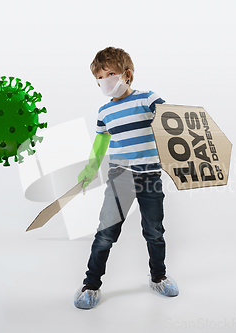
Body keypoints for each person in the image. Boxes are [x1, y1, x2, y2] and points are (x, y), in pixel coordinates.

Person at [74, 47, 179, 310]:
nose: (104, 81)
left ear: (127, 74)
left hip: (150, 175)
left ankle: (158, 277)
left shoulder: (147, 98)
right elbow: (100, 144)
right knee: (105, 234)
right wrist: (89, 170)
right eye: (99, 77)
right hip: (120, 177)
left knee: (154, 231)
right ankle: (91, 284)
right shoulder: (104, 112)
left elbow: (172, 123)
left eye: (110, 74)